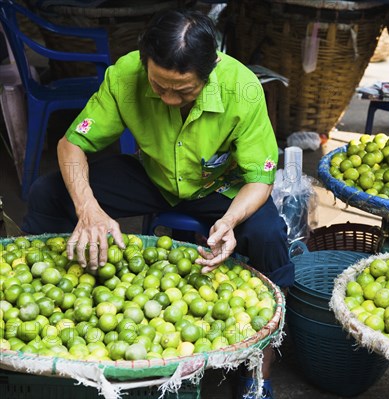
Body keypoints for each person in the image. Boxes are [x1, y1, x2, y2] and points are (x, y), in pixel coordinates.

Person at [22, 9, 293, 398]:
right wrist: (89, 209)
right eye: (158, 86)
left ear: (211, 68)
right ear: (145, 61)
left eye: (183, 91)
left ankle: (258, 369)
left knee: (267, 234)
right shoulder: (125, 75)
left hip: (221, 187)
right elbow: (72, 144)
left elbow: (260, 179)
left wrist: (231, 221)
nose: (167, 98)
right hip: (153, 176)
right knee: (48, 192)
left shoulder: (243, 89)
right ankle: (44, 289)